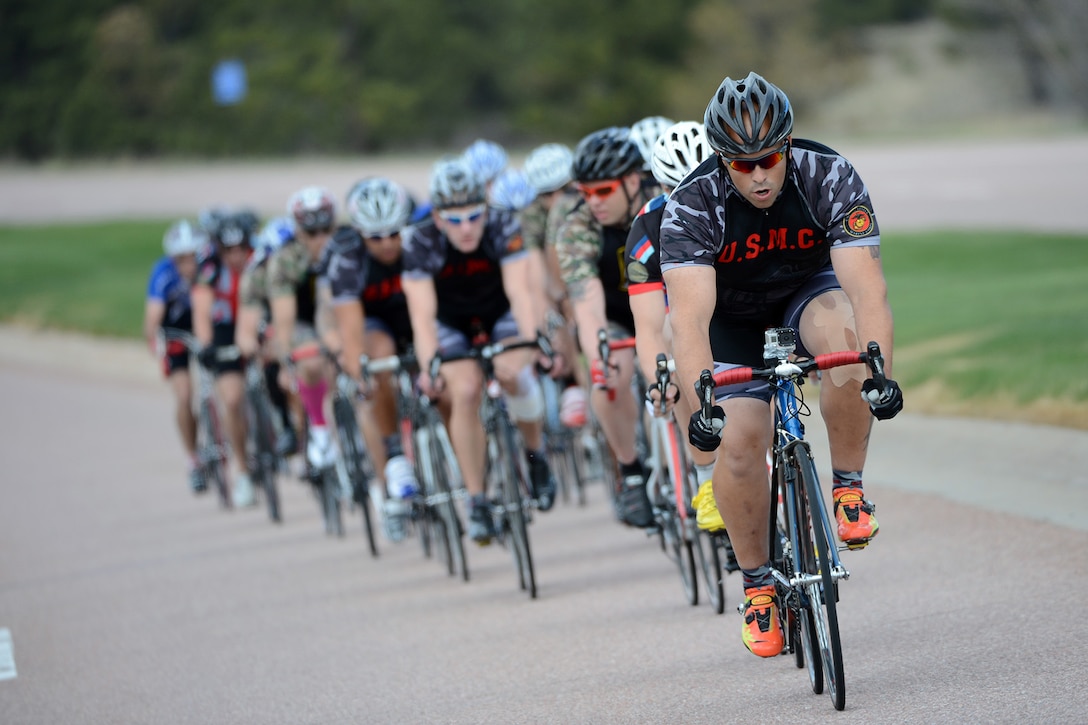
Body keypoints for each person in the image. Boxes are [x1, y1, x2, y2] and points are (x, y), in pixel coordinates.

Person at [660, 72, 903, 658]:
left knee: (843, 340)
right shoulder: (691, 204)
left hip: (806, 295)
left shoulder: (829, 176)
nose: (760, 175)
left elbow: (868, 292)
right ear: (722, 161)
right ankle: (759, 585)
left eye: (769, 158)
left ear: (789, 145)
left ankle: (848, 488)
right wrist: (703, 407)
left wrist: (881, 376)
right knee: (741, 442)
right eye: (742, 165)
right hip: (730, 319)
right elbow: (690, 322)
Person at [401, 156, 557, 544]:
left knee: (512, 373)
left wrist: (534, 337)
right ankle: (477, 499)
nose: (466, 228)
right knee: (465, 390)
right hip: (451, 322)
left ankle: (536, 457)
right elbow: (421, 316)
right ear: (438, 219)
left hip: (499, 312)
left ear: (485, 210)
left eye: (474, 216)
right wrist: (429, 364)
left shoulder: (504, 225)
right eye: (454, 220)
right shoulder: (420, 241)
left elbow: (521, 293)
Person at [554, 127, 661, 528]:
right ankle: (631, 470)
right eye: (586, 193)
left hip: (662, 303)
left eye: (603, 191)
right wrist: (598, 351)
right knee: (608, 376)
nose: (593, 202)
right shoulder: (577, 225)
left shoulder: (662, 203)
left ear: (632, 181)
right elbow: (584, 300)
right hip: (617, 314)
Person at [624, 120, 721, 528]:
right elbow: (647, 328)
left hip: (738, 307)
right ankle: (707, 477)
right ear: (659, 188)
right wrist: (658, 380)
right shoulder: (646, 229)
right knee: (671, 335)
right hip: (681, 316)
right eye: (677, 191)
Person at [327, 176, 420, 542]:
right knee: (377, 360)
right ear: (361, 234)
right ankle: (391, 459)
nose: (387, 243)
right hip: (375, 322)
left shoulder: (421, 245)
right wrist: (358, 369)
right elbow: (350, 331)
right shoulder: (346, 259)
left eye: (394, 233)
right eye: (375, 237)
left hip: (415, 316)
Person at [267, 186, 342, 476]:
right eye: (312, 234)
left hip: (339, 316)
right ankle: (320, 430)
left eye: (326, 230)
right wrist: (286, 358)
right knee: (311, 362)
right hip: (303, 320)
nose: (321, 239)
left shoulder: (347, 247)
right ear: (298, 231)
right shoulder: (285, 260)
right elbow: (283, 318)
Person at [191, 209, 260, 506]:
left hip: (257, 321)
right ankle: (242, 471)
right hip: (223, 328)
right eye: (228, 250)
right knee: (231, 399)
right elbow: (202, 309)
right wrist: (206, 344)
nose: (236, 256)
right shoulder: (209, 269)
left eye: (240, 249)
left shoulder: (259, 262)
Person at [522, 143, 587, 428]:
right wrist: (552, 315)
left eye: (565, 189)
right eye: (549, 194)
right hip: (556, 283)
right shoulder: (533, 216)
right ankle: (576, 385)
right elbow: (537, 276)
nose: (559, 199)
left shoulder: (587, 200)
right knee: (559, 314)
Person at [144, 219, 207, 492]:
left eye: (193, 256)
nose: (189, 264)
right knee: (183, 395)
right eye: (182, 259)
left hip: (206, 325)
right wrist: (155, 342)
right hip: (176, 330)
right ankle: (193, 458)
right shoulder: (163, 272)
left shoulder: (209, 269)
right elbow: (153, 317)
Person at [236, 216, 300, 457]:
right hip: (270, 325)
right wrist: (254, 347)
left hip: (303, 322)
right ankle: (286, 424)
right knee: (271, 361)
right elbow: (246, 331)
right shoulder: (255, 275)